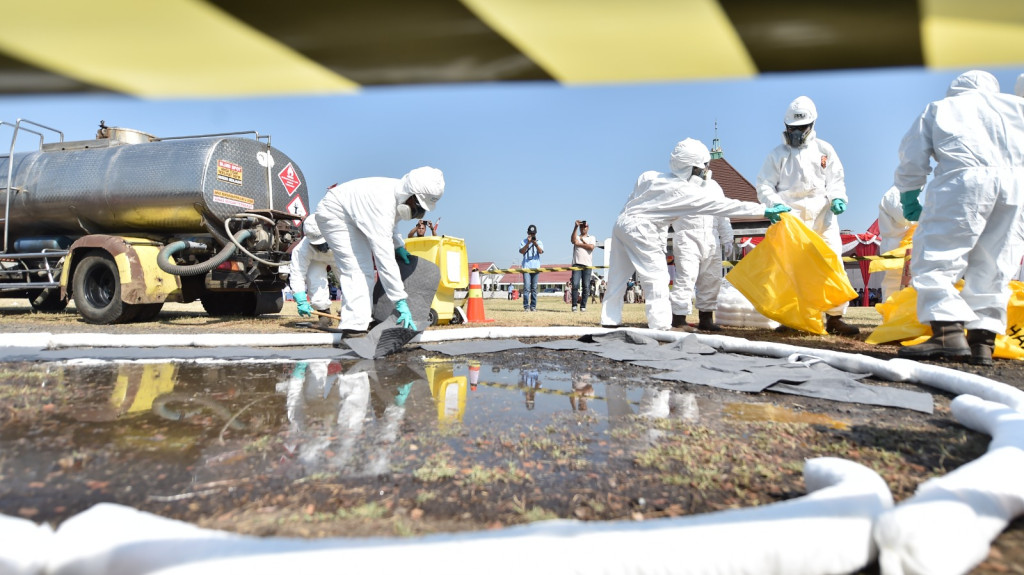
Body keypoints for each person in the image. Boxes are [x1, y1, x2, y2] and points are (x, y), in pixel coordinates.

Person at [894, 70, 1024, 366]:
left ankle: (947, 333)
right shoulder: (1017, 107)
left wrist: (909, 192)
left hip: (964, 183)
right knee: (995, 265)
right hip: (1016, 189)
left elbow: (912, 155)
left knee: (937, 257)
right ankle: (982, 343)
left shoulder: (941, 107)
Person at [600, 138, 787, 331]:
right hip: (645, 230)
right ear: (693, 168)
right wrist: (764, 211)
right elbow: (725, 206)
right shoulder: (686, 192)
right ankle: (662, 325)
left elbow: (634, 199)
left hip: (623, 223)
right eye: (703, 166)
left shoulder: (651, 176)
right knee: (657, 278)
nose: (706, 171)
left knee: (617, 276)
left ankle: (609, 320)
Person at [756, 95, 859, 337]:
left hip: (823, 217)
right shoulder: (777, 155)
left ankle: (835, 318)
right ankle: (792, 317)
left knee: (832, 264)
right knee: (791, 269)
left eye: (801, 127)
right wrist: (775, 204)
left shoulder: (825, 150)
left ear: (811, 125)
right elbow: (764, 185)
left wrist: (838, 198)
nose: (796, 132)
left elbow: (835, 180)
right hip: (791, 217)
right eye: (792, 127)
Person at [315, 167, 445, 335]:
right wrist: (399, 300)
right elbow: (384, 257)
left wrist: (398, 246)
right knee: (357, 268)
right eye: (418, 205)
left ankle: (361, 320)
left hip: (352, 215)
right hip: (335, 213)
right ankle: (353, 329)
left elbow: (391, 225)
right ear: (410, 193)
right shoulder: (382, 202)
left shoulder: (398, 197)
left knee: (364, 269)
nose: (417, 212)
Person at [669, 209, 734, 332]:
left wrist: (728, 239)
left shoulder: (715, 195)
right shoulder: (678, 194)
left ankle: (706, 319)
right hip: (686, 236)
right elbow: (667, 212)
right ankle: (678, 318)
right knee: (686, 278)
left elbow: (722, 215)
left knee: (711, 279)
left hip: (712, 238)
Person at [289, 216, 337, 329]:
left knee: (350, 281)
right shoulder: (301, 250)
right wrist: (300, 298)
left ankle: (359, 314)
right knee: (314, 280)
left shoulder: (341, 236)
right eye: (317, 245)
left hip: (339, 256)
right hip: (316, 260)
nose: (321, 248)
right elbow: (297, 274)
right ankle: (324, 315)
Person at [877, 185, 912, 303]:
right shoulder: (894, 194)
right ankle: (889, 311)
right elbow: (904, 217)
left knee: (909, 282)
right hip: (895, 245)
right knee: (893, 283)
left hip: (907, 243)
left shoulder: (909, 195)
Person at [570, 220, 596, 312]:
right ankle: (574, 305)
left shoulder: (591, 237)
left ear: (588, 228)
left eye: (585, 227)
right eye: (581, 227)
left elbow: (591, 247)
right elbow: (573, 240)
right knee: (575, 284)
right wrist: (576, 227)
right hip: (577, 263)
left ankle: (583, 306)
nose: (583, 228)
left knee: (586, 286)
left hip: (587, 265)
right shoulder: (577, 236)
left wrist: (579, 244)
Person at [518, 224, 543, 311]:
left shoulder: (539, 242)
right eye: (530, 233)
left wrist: (535, 243)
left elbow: (541, 251)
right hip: (526, 267)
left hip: (536, 268)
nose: (532, 235)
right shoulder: (523, 241)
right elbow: (521, 251)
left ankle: (533, 306)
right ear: (527, 233)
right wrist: (528, 243)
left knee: (534, 288)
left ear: (535, 233)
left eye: (533, 233)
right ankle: (526, 306)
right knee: (526, 288)